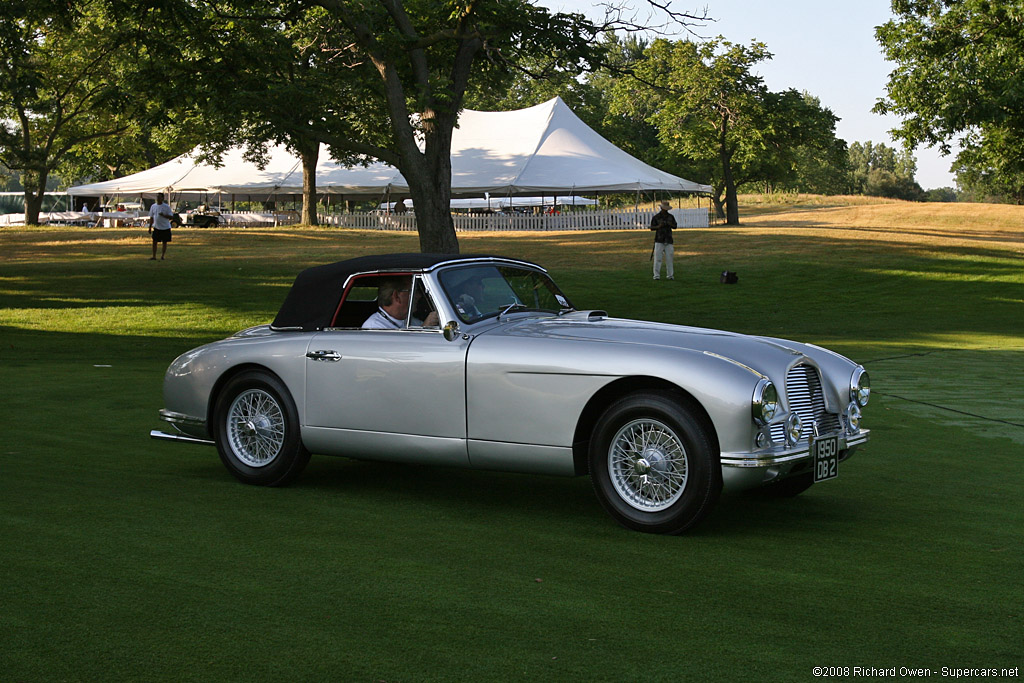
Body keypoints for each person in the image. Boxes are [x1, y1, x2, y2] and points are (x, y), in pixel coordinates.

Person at [362, 277, 439, 329]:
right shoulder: (373, 327)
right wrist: (424, 328)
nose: (419, 296)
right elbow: (398, 352)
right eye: (413, 292)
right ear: (396, 296)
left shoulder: (412, 321)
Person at [650, 200, 677, 280]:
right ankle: (656, 276)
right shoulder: (656, 217)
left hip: (668, 239)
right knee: (657, 258)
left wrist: (670, 224)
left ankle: (670, 275)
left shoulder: (670, 217)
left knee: (669, 258)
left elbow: (675, 226)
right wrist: (659, 226)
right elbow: (652, 228)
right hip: (659, 239)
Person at [148, 193, 175, 260]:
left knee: (164, 242)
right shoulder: (153, 206)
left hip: (165, 227)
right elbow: (151, 217)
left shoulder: (166, 207)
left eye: (159, 197)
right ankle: (154, 256)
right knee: (154, 241)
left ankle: (162, 256)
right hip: (156, 227)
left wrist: (164, 215)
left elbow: (171, 217)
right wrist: (150, 227)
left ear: (162, 198)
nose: (158, 199)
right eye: (157, 197)